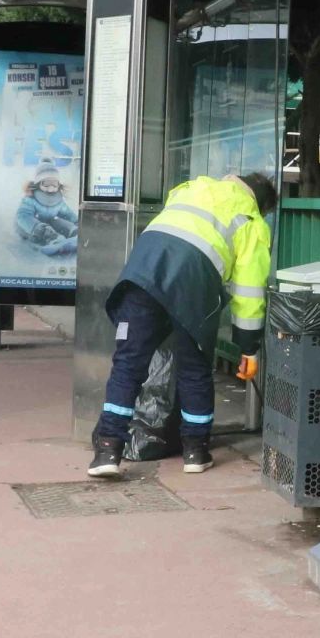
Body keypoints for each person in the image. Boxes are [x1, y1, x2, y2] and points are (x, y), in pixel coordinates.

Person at [89, 171, 277, 477]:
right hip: (194, 281)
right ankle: (196, 452)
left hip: (143, 272)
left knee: (128, 364)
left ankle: (108, 451)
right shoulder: (251, 222)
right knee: (194, 368)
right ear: (262, 204)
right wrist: (249, 348)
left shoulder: (191, 188)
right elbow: (249, 292)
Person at [15, 161, 79, 256]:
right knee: (44, 228)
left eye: (54, 184)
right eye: (47, 183)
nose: (51, 187)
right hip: (28, 228)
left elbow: (67, 213)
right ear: (38, 183)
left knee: (57, 222)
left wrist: (77, 222)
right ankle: (54, 238)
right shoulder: (30, 199)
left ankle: (74, 232)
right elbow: (23, 216)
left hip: (47, 222)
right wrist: (36, 227)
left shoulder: (57, 200)